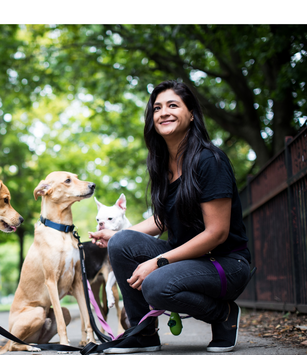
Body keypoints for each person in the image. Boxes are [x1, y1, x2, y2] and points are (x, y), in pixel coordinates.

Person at [89, 80, 251, 353]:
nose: (163, 112)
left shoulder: (210, 160)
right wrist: (113, 235)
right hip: (189, 258)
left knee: (155, 284)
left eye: (173, 105)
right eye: (157, 108)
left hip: (225, 263)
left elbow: (217, 233)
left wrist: (158, 261)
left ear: (191, 114)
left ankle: (222, 315)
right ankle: (143, 333)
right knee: (120, 242)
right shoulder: (162, 166)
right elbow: (162, 220)